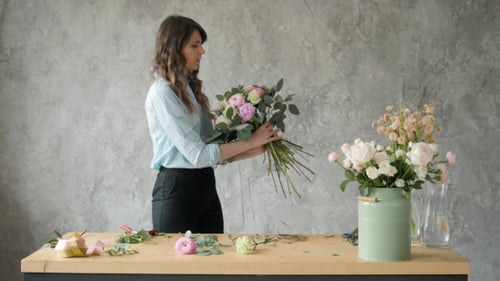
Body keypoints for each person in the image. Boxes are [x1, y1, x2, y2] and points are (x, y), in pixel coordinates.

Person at [145, 15, 281, 234]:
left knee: (213, 265)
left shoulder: (189, 89)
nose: (202, 51)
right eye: (194, 45)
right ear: (174, 47)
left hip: (205, 186)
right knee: (176, 268)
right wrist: (249, 142)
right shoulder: (162, 93)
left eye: (201, 45)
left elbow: (211, 149)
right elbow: (198, 155)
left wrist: (258, 147)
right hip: (176, 190)